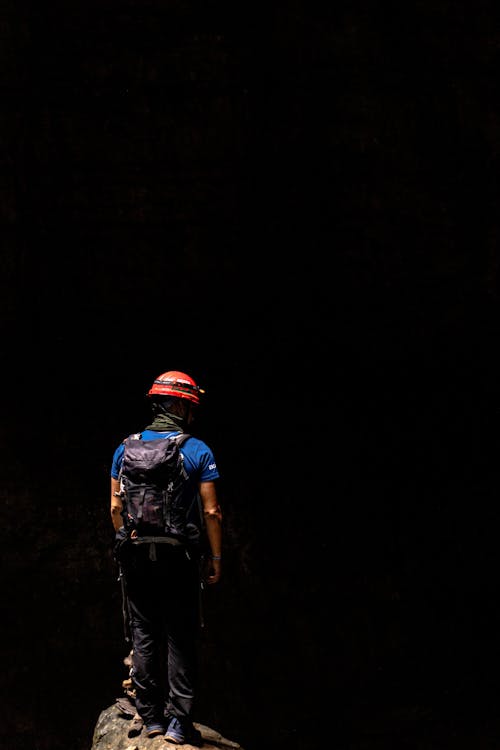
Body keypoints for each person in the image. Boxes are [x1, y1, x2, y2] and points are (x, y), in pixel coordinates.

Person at [110, 370, 222, 745]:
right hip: (181, 557)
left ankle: (151, 717)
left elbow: (114, 507)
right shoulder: (198, 449)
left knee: (143, 632)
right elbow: (211, 512)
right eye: (191, 406)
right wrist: (216, 557)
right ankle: (178, 723)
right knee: (180, 635)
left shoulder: (125, 448)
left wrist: (128, 544)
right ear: (180, 406)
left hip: (138, 556)